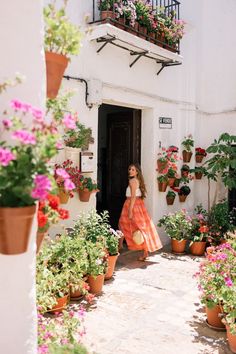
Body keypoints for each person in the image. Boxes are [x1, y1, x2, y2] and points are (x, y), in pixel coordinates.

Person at [119, 163, 162, 261]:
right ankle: (122, 246)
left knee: (128, 225)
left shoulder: (133, 181)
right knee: (138, 227)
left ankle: (121, 246)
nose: (130, 171)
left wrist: (130, 210)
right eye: (130, 169)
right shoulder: (136, 180)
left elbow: (133, 196)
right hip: (136, 204)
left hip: (132, 204)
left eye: (133, 170)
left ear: (137, 172)